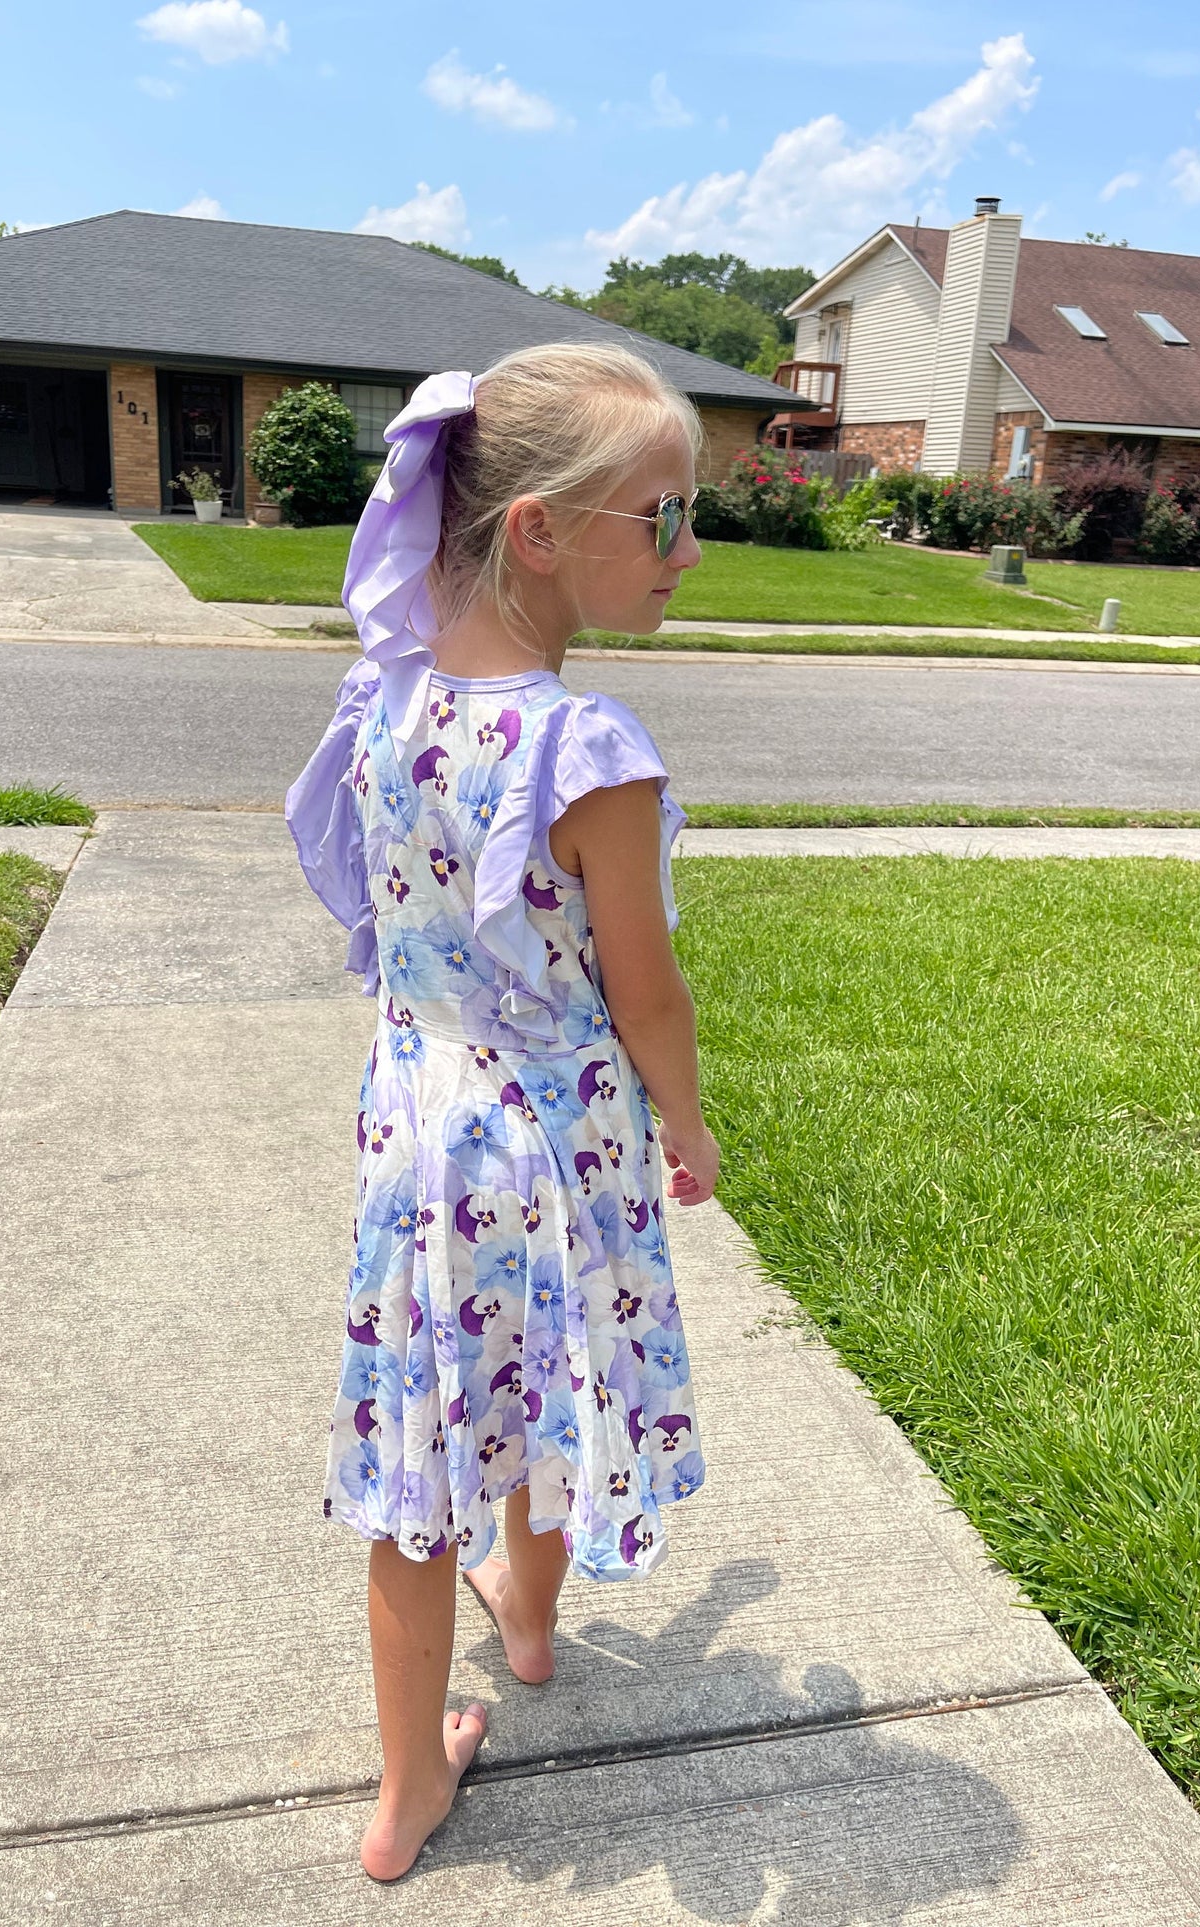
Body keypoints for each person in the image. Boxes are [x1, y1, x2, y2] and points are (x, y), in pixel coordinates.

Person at [286, 340, 721, 1883]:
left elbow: (377, 899)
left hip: (419, 1127)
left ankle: (414, 1781)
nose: (686, 550)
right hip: (552, 1140)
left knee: (419, 1439)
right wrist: (687, 1127)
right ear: (536, 529)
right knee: (548, 1375)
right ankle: (526, 1616)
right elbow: (645, 995)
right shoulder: (582, 750)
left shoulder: (385, 702)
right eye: (661, 516)